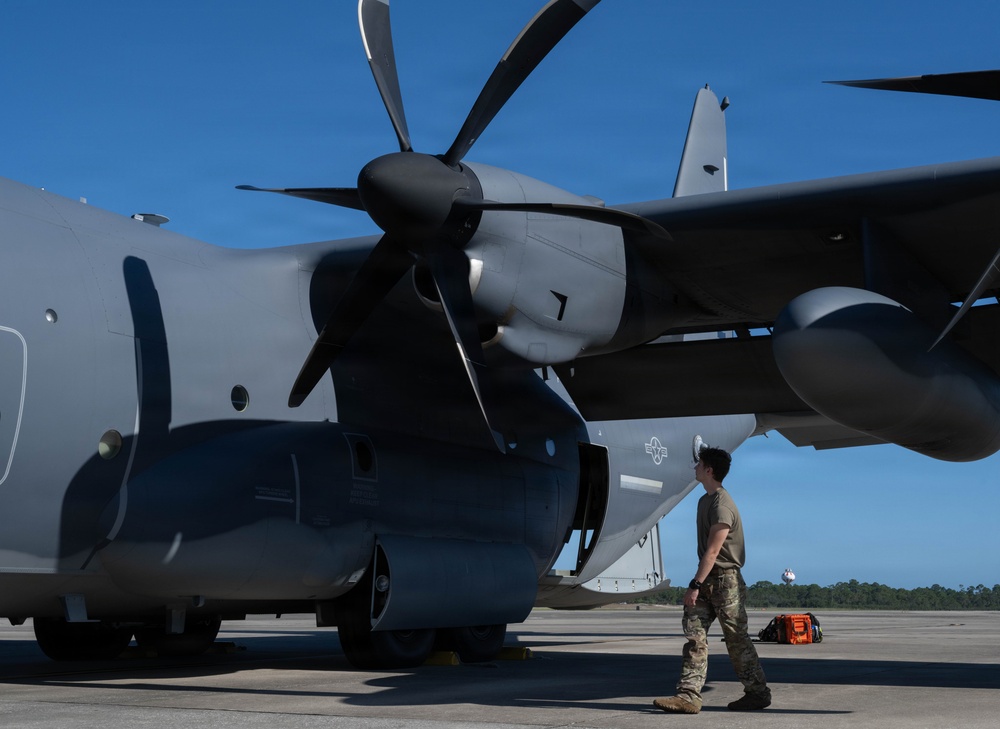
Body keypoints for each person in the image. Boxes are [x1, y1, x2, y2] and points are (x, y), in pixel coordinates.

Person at [653, 446, 771, 713]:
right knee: (694, 636)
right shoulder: (704, 500)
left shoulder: (722, 505)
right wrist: (699, 582)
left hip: (725, 581)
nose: (695, 468)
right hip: (707, 578)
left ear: (709, 470)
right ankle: (688, 696)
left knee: (736, 640)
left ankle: (758, 693)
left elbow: (714, 550)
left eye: (699, 464)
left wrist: (695, 584)